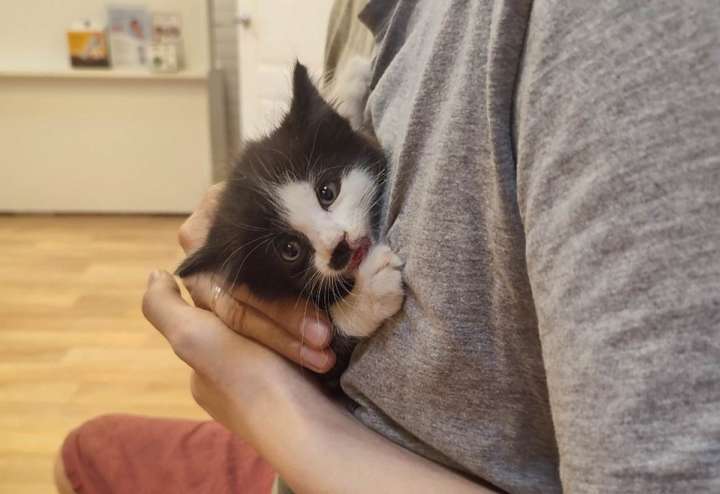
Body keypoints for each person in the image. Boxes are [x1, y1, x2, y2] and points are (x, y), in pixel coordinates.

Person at [56, 1, 720, 493]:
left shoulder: (606, 27)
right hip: (315, 438)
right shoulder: (361, 14)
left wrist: (270, 406)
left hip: (320, 444)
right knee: (80, 452)